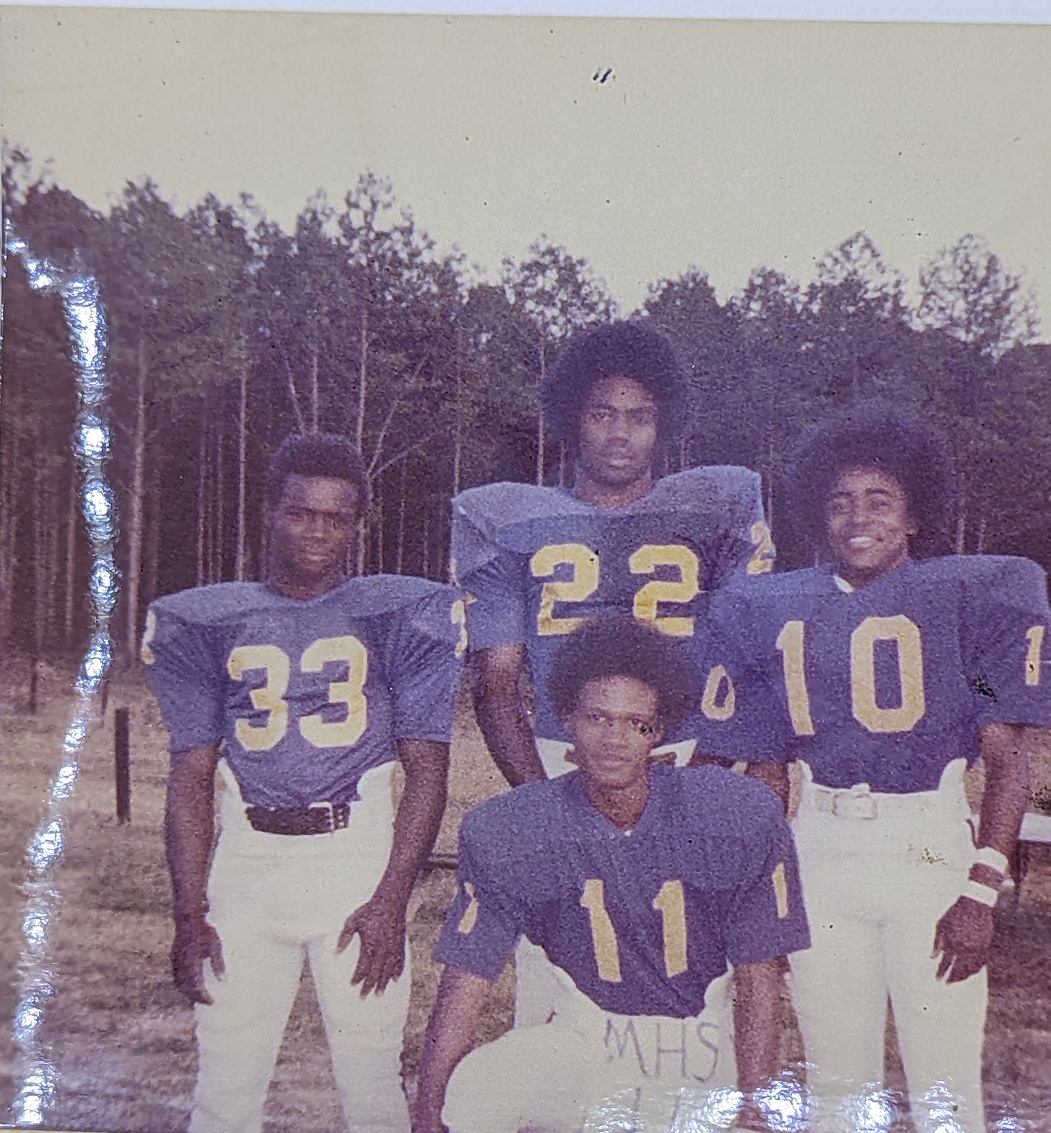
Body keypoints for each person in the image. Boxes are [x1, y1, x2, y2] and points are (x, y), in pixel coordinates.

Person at [698, 404, 1051, 1133]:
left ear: (914, 515)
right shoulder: (783, 611)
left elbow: (1004, 756)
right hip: (819, 841)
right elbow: (766, 770)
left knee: (944, 1084)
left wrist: (980, 887)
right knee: (836, 1084)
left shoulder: (964, 607)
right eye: (839, 501)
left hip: (925, 843)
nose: (857, 516)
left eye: (878, 499)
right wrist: (769, 883)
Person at [451, 319, 776, 1049]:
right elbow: (497, 680)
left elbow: (743, 659)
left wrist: (704, 780)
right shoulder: (508, 517)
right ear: (572, 418)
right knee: (554, 986)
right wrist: (543, 803)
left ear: (663, 423)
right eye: (601, 412)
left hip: (685, 752)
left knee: (696, 991)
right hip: (562, 755)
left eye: (638, 414)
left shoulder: (716, 503)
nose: (619, 432)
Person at [141, 433, 464, 1133]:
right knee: (223, 1082)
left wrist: (390, 898)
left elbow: (428, 767)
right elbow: (192, 773)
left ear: (358, 526)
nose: (317, 530)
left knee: (371, 1079)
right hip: (248, 858)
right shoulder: (210, 620)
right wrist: (187, 908)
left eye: (336, 516)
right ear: (269, 513)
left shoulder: (391, 613)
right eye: (300, 512)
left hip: (353, 853)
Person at [411, 615, 810, 1133]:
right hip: (586, 1038)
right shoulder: (511, 826)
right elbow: (467, 979)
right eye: (598, 718)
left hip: (700, 1052)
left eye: (635, 723)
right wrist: (428, 1112)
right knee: (476, 1093)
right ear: (566, 721)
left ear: (659, 732)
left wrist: (754, 1104)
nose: (615, 739)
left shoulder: (733, 814)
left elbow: (759, 978)